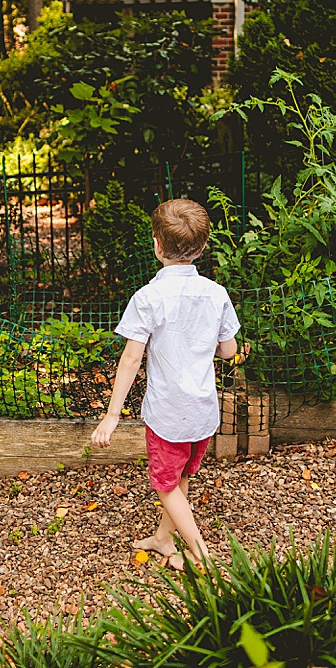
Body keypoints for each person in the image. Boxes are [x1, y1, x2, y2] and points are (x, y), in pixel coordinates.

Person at [89, 198, 242, 569]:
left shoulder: (148, 298)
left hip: (168, 413)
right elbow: (228, 350)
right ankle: (163, 538)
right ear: (203, 247)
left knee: (164, 483)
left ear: (156, 244)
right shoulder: (216, 294)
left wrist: (111, 415)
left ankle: (200, 552)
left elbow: (131, 357)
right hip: (204, 411)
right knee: (181, 476)